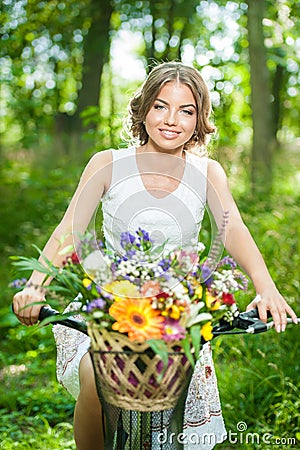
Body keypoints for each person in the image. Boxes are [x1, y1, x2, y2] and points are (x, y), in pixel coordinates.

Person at [13, 61, 297, 450]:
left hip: (175, 311)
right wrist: (34, 288)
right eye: (161, 106)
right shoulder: (108, 164)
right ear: (143, 109)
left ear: (199, 120)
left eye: (187, 110)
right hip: (109, 305)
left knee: (171, 403)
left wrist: (267, 289)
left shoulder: (207, 172)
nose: (171, 120)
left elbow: (233, 231)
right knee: (98, 376)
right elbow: (70, 231)